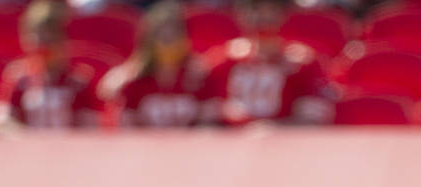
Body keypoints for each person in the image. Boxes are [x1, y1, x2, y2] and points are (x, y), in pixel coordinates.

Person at [196, 0, 336, 126]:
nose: (264, 17)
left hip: (285, 146)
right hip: (229, 146)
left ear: (282, 15)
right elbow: (200, 115)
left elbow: (316, 118)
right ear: (241, 15)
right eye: (256, 9)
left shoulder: (302, 61)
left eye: (271, 10)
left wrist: (274, 129)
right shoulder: (220, 60)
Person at [0, 0, 103, 130]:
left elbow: (90, 127)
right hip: (27, 148)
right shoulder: (20, 78)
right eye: (38, 37)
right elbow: (1, 120)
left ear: (64, 39)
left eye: (51, 38)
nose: (43, 45)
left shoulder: (78, 81)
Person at [98, 0, 205, 128]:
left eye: (174, 37)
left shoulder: (198, 78)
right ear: (149, 42)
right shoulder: (135, 81)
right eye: (164, 38)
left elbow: (211, 124)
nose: (169, 45)